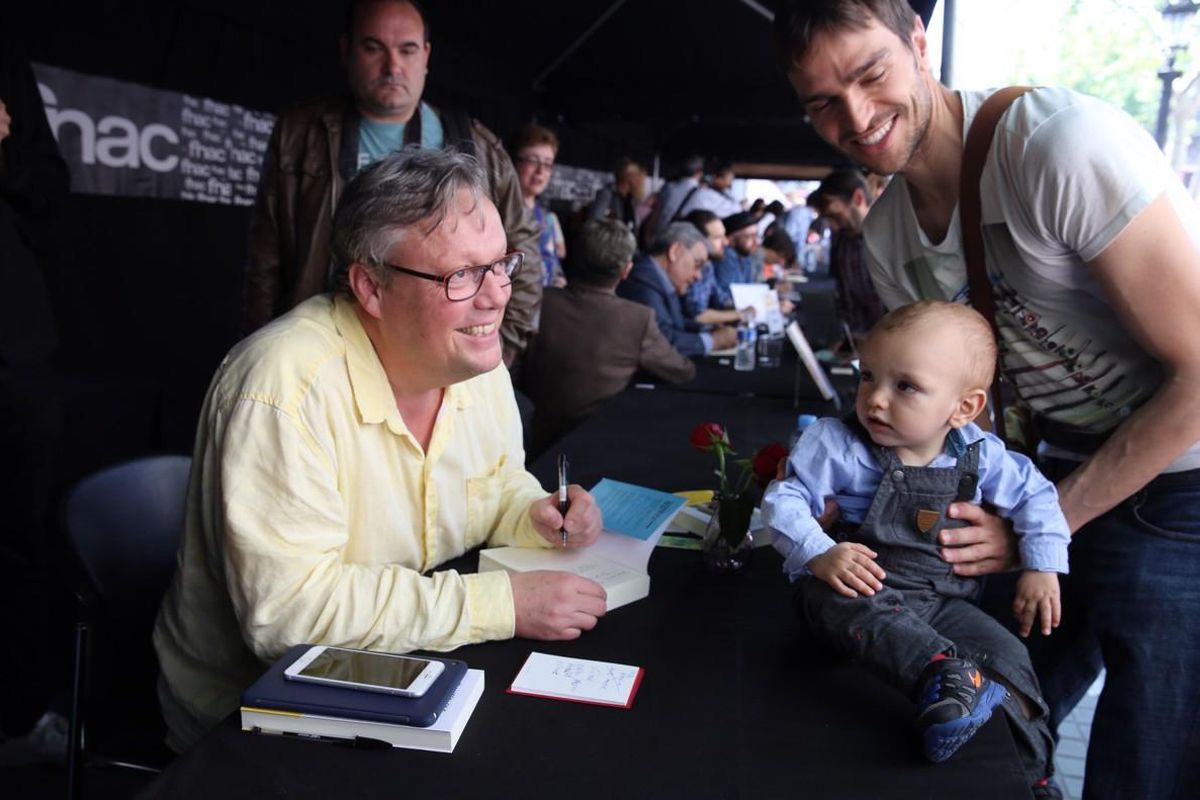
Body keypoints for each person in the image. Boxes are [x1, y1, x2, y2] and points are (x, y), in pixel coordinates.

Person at [773, 2, 1200, 798]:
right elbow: (950, 408)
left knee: (1145, 759)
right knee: (1001, 718)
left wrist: (1048, 523)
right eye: (823, 102)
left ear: (919, 44)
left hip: (1180, 486)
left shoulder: (1053, 148)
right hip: (1059, 464)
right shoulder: (889, 233)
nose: (856, 117)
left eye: (871, 74)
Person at [154, 148, 608, 752]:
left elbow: (495, 484)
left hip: (408, 674)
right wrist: (500, 603)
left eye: (501, 264)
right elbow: (290, 617)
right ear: (370, 285)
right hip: (254, 724)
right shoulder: (282, 388)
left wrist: (535, 515)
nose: (497, 295)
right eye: (462, 275)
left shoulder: (475, 361)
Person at [763, 301, 1068, 793]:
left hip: (945, 603)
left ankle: (1034, 773)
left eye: (904, 386)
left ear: (964, 407)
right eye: (868, 377)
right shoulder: (838, 443)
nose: (875, 400)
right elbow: (786, 498)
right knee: (824, 600)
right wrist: (819, 550)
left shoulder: (980, 454)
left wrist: (1042, 564)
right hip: (866, 587)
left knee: (1009, 654)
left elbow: (1036, 495)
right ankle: (941, 674)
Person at [242, 0, 543, 369]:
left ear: (426, 55)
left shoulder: (478, 145)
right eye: (373, 48)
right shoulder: (299, 134)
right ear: (346, 50)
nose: (393, 67)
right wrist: (263, 355)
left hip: (430, 367)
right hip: (320, 357)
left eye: (407, 50)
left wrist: (492, 358)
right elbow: (265, 262)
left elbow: (523, 254)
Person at [0, 41, 70, 759]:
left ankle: (16, 719)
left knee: (21, 543)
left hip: (16, 349)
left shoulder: (6, 62)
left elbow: (52, 187)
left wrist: (5, 147)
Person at [521, 219, 695, 455]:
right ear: (626, 270)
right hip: (601, 447)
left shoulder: (538, 301)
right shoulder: (638, 319)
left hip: (530, 443)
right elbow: (682, 371)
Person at [617, 222, 738, 357]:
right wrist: (714, 341)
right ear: (674, 251)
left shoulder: (659, 278)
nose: (698, 276)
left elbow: (675, 322)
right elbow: (661, 342)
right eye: (697, 264)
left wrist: (707, 329)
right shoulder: (642, 282)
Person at [808, 169, 884, 347]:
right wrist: (851, 339)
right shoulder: (843, 243)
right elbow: (847, 301)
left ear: (858, 198)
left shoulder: (892, 238)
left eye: (835, 216)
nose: (832, 226)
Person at [511, 124, 566, 287]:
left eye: (548, 164)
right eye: (532, 161)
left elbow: (554, 264)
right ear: (515, 163)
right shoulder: (500, 213)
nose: (540, 171)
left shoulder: (545, 216)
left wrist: (559, 281)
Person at [681, 209, 743, 326]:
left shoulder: (708, 265)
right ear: (698, 240)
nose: (725, 242)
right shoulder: (690, 268)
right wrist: (739, 314)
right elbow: (696, 315)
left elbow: (720, 299)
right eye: (718, 238)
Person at [588, 157, 644, 229]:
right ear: (626, 175)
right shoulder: (607, 194)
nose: (638, 178)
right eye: (634, 174)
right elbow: (595, 220)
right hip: (611, 239)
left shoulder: (632, 199)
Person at [677, 160, 741, 218]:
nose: (729, 184)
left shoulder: (714, 192)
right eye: (729, 180)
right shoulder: (706, 194)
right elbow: (736, 210)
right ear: (717, 178)